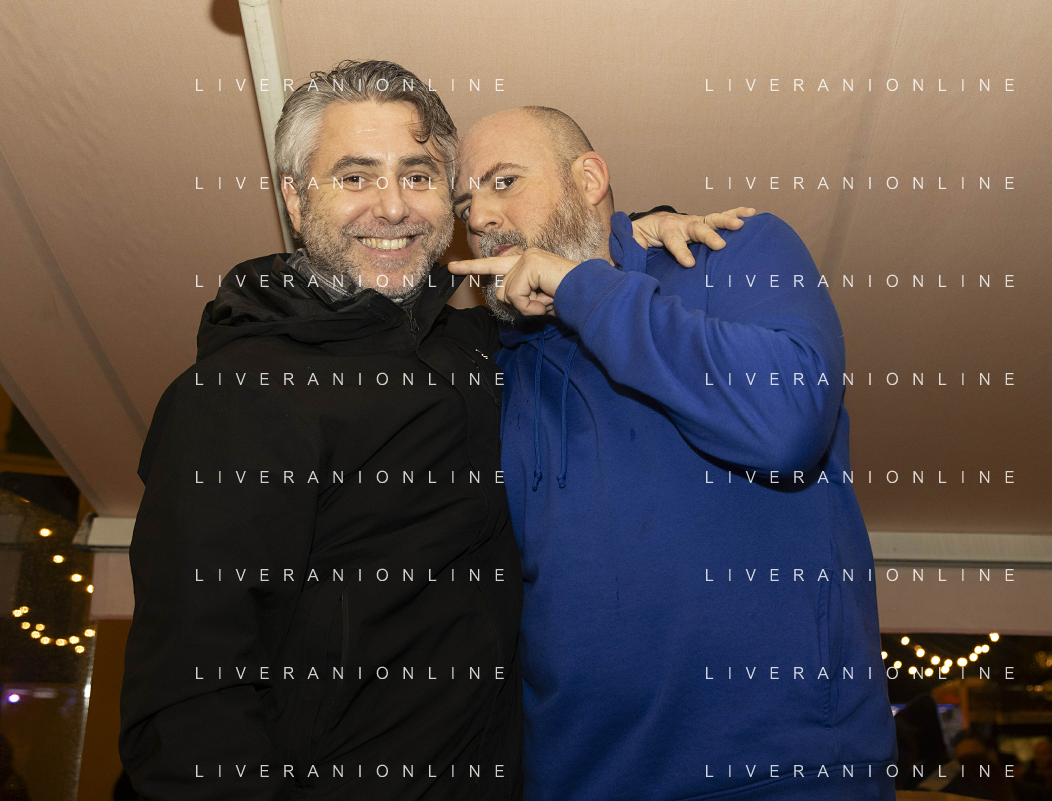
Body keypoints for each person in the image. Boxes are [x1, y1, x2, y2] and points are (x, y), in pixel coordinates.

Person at [119, 61, 736, 801]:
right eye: (354, 177)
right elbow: (187, 699)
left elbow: (567, 256)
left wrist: (629, 230)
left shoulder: (489, 350)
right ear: (295, 199)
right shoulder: (236, 395)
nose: (393, 207)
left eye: (417, 176)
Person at [450, 106, 897, 800]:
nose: (478, 214)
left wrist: (584, 286)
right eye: (464, 203)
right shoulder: (494, 365)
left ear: (589, 178)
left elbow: (787, 423)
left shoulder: (730, 255)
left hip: (780, 773)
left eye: (503, 181)